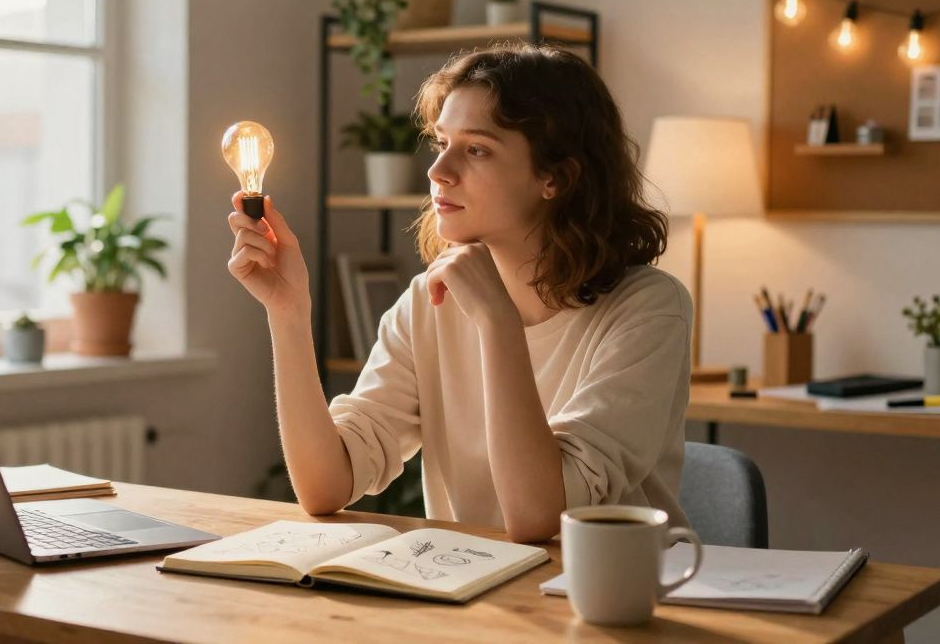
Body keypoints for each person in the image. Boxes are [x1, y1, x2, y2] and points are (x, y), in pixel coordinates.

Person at [226, 44, 690, 543]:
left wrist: (497, 323)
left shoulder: (648, 310)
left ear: (555, 177)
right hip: (473, 594)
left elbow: (539, 518)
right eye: (440, 142)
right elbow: (324, 486)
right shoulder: (428, 303)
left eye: (477, 149)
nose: (437, 171)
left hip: (615, 597)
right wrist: (289, 313)